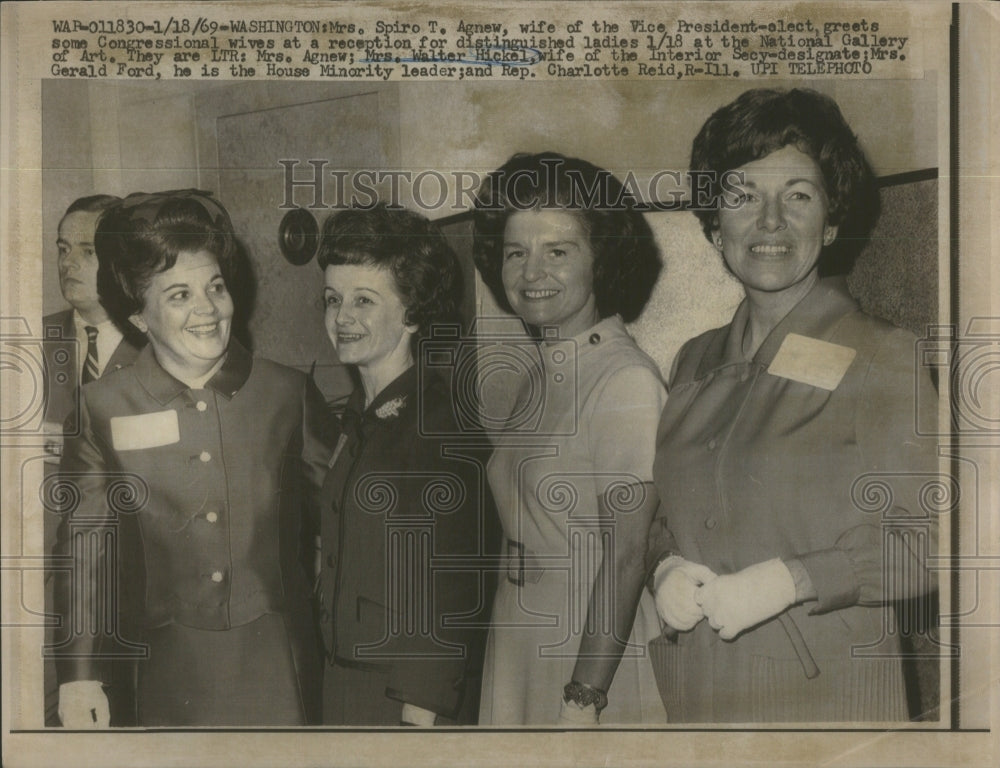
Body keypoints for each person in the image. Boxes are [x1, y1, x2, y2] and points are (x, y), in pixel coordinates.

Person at [646, 88, 939, 722]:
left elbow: (937, 541)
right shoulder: (693, 361)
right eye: (743, 196)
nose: (770, 221)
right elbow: (668, 514)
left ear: (831, 222)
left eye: (798, 196)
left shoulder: (881, 354)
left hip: (824, 705)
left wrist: (792, 579)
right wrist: (663, 566)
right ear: (714, 221)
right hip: (699, 697)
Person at [52, 190, 332, 726]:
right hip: (161, 668)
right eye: (179, 294)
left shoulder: (287, 394)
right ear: (138, 315)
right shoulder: (102, 407)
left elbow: (347, 529)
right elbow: (85, 548)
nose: (207, 310)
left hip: (279, 666)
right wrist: (80, 676)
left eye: (216, 287)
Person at [473, 152, 667, 725]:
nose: (532, 273)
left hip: (591, 652)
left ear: (600, 260)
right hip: (520, 635)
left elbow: (628, 555)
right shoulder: (543, 370)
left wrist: (583, 699)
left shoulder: (625, 379)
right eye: (516, 253)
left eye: (557, 251)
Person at [315, 203, 488, 726]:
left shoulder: (437, 425)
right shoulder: (359, 417)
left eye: (364, 300)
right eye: (332, 299)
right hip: (345, 684)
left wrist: (419, 714)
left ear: (412, 312)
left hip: (402, 700)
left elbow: (452, 586)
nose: (342, 317)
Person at [41, 194, 144, 727]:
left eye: (86, 250)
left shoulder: (155, 351)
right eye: (62, 248)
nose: (67, 263)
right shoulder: (32, 346)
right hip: (45, 602)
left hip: (135, 609)